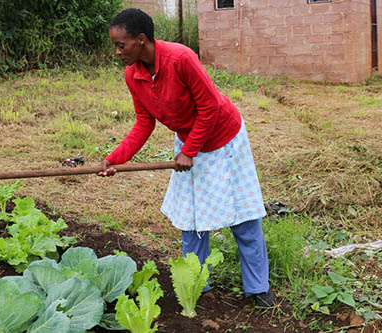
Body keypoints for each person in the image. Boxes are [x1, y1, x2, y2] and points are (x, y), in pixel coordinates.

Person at [98, 8, 274, 307]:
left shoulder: (181, 58)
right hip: (189, 141)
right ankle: (196, 284)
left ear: (141, 40)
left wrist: (189, 151)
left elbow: (211, 107)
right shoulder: (134, 74)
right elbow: (144, 122)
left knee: (242, 215)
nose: (117, 52)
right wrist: (116, 158)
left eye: (121, 44)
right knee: (191, 219)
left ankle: (258, 288)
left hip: (223, 136)